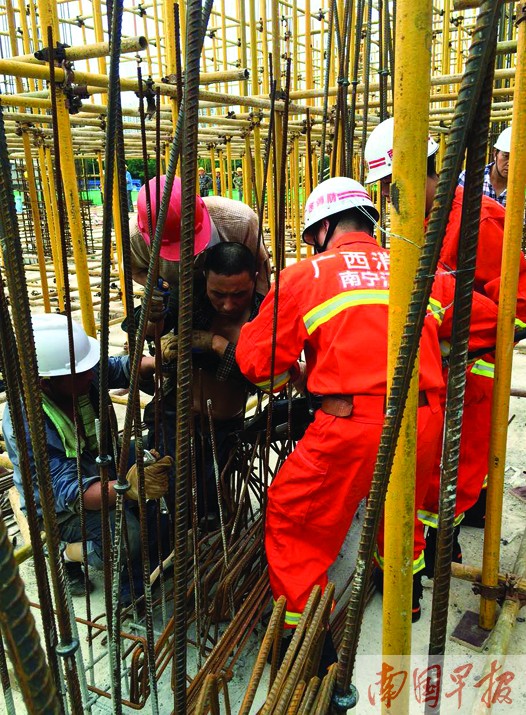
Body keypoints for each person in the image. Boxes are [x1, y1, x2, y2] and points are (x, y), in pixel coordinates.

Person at [236, 177, 460, 667]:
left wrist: (291, 375)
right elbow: (481, 319)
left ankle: (308, 647)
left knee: (298, 522)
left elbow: (256, 363)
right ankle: (409, 593)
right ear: (368, 221)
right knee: (401, 511)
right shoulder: (424, 270)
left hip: (351, 427)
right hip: (424, 420)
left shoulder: (306, 276)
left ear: (323, 228)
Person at [364, 117, 526, 568]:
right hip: (435, 364)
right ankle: (433, 543)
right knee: (426, 464)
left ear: (425, 174)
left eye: (393, 186)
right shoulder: (412, 220)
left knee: (460, 467)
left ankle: (441, 541)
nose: (388, 199)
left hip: (473, 368)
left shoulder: (483, 221)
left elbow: (519, 307)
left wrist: (456, 326)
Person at [2, 314, 173, 597]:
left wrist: (157, 361)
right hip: (60, 509)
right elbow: (70, 493)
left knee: (156, 453)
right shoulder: (28, 423)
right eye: (82, 373)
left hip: (98, 466)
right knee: (127, 537)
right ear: (45, 384)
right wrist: (127, 489)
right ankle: (63, 552)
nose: (92, 374)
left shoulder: (75, 374)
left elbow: (117, 368)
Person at [139, 242, 262, 523]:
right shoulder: (191, 301)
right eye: (218, 294)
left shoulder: (263, 314)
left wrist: (217, 344)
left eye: (239, 294)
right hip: (174, 413)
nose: (228, 304)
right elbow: (147, 332)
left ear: (254, 280)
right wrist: (156, 324)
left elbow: (261, 377)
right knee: (170, 482)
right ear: (205, 278)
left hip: (224, 426)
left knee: (214, 494)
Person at [129, 175, 271, 296]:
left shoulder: (241, 221)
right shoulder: (135, 237)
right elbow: (135, 271)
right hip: (179, 293)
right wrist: (157, 287)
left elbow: (261, 267)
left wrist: (260, 311)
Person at [458, 126, 511, 207]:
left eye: (516, 159)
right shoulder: (470, 178)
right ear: (495, 154)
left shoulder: (522, 189)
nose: (510, 163)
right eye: (506, 156)